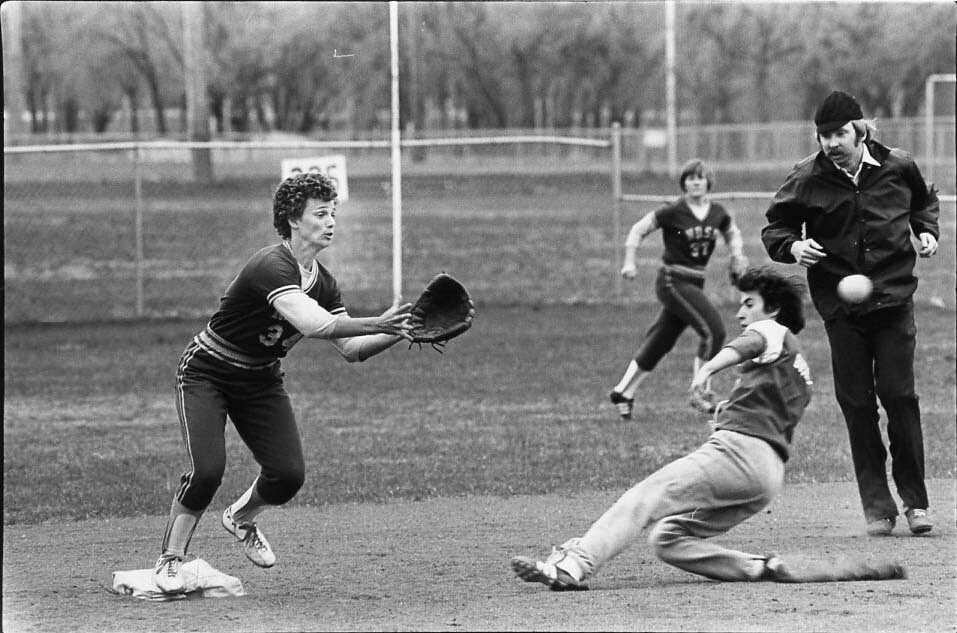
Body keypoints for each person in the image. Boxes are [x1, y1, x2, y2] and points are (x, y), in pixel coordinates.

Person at [152, 172, 416, 594]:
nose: (331, 221)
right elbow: (315, 324)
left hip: (260, 381)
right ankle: (169, 559)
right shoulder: (270, 265)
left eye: (333, 213)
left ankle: (240, 518)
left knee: (288, 475)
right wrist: (378, 319)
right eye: (321, 213)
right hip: (209, 372)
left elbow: (350, 349)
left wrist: (401, 331)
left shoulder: (324, 282)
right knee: (207, 471)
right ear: (294, 219)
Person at [512, 267, 813, 588]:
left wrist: (706, 369)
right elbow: (764, 416)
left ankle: (573, 564)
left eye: (749, 303)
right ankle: (759, 567)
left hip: (739, 454)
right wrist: (716, 408)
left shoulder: (773, 330)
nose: (740, 313)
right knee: (668, 538)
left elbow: (747, 343)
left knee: (644, 497)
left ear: (774, 309)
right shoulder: (797, 367)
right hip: (766, 477)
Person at [761, 90, 940, 538]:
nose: (831, 143)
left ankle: (916, 503)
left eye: (839, 133)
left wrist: (926, 231)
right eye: (823, 136)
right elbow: (775, 227)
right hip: (842, 310)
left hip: (894, 301)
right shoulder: (807, 178)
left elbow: (923, 202)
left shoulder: (898, 165)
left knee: (899, 397)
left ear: (860, 130)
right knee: (858, 405)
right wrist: (793, 246)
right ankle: (878, 507)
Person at [610, 159, 748, 420]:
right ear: (683, 183)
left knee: (661, 340)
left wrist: (737, 255)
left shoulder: (717, 211)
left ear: (708, 182)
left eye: (700, 177)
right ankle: (701, 392)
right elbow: (638, 230)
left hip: (694, 281)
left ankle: (623, 391)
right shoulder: (674, 211)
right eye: (690, 178)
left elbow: (732, 232)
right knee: (714, 331)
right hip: (672, 280)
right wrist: (629, 262)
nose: (695, 182)